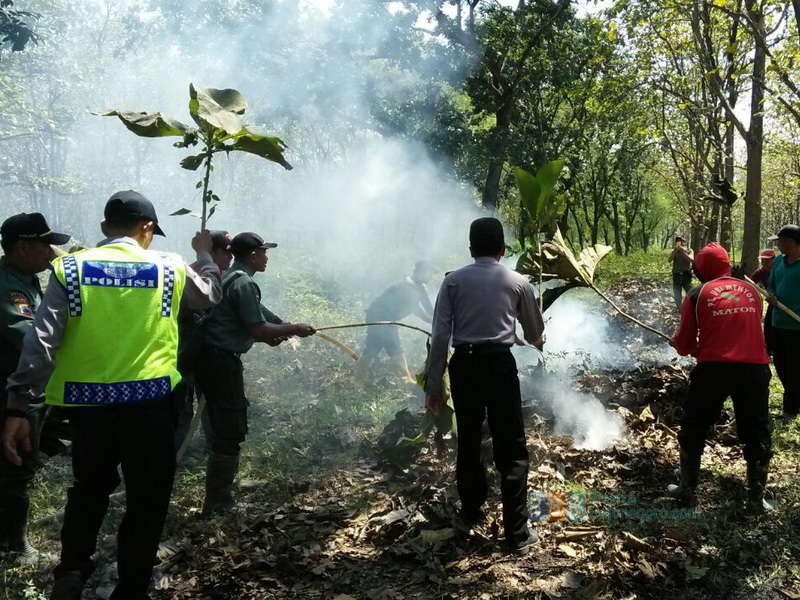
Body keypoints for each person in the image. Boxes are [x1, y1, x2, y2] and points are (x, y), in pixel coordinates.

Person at [1, 190, 223, 600]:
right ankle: (132, 587)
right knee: (147, 499)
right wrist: (205, 255)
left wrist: (18, 406)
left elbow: (41, 342)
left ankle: (71, 572)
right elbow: (208, 295)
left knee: (88, 491)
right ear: (148, 228)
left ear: (104, 228)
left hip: (89, 411)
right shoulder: (168, 266)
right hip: (151, 407)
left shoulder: (70, 268)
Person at [424, 217, 545, 555]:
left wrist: (434, 385)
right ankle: (517, 533)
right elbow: (535, 335)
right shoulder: (518, 282)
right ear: (503, 249)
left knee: (470, 439)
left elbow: (439, 338)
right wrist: (537, 339)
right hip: (499, 365)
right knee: (511, 446)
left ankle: (472, 512)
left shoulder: (452, 283)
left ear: (470, 249)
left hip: (464, 365)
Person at [195, 232, 315, 516]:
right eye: (263, 252)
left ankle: (218, 500)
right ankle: (218, 505)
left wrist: (282, 325)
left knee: (220, 428)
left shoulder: (232, 277)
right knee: (229, 430)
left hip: (209, 361)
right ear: (252, 255)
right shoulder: (244, 282)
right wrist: (294, 328)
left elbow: (258, 316)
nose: (266, 257)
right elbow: (258, 329)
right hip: (221, 363)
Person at [669, 243, 772, 512]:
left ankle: (687, 489)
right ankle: (756, 498)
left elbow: (684, 344)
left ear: (701, 269)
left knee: (695, 425)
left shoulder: (696, 294)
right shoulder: (752, 291)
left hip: (714, 369)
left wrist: (681, 345)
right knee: (757, 430)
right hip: (755, 368)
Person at [0, 213, 71, 562]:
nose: (52, 251)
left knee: (23, 462)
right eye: (46, 244)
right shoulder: (7, 285)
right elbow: (29, 336)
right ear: (24, 247)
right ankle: (15, 548)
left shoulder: (27, 278)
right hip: (12, 392)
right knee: (15, 467)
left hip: (28, 390)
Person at [174, 230, 234, 452]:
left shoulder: (219, 273)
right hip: (184, 355)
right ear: (213, 251)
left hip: (201, 354)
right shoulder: (200, 273)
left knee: (207, 402)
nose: (231, 258)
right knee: (183, 408)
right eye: (227, 253)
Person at [357, 261, 435, 383]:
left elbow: (427, 311)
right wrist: (435, 320)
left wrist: (436, 321)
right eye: (430, 273)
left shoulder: (418, 288)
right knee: (388, 348)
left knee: (377, 348)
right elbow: (419, 309)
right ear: (422, 272)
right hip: (380, 320)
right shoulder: (406, 287)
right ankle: (406, 380)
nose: (431, 276)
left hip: (388, 321)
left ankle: (360, 379)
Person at [767, 224, 800, 421]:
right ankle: (795, 399)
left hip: (797, 326)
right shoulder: (778, 261)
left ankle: (790, 409)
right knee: (780, 365)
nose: (778, 245)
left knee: (795, 367)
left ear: (791, 243)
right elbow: (772, 283)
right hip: (777, 322)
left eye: (781, 241)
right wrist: (771, 294)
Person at [670, 236, 694, 309]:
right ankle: (680, 309)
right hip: (676, 275)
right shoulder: (674, 250)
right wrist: (675, 251)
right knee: (677, 294)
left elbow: (691, 259)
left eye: (681, 241)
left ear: (684, 242)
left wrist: (682, 251)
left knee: (690, 293)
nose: (680, 243)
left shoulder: (689, 250)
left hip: (686, 275)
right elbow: (669, 259)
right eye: (678, 241)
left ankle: (691, 307)